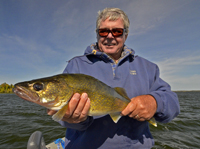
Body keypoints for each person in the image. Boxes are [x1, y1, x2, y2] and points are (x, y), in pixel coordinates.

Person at [48, 8, 180, 149]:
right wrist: (74, 119)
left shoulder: (148, 67)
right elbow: (63, 117)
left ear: (126, 35)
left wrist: (155, 102)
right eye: (103, 31)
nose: (110, 36)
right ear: (97, 34)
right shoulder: (76, 65)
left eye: (117, 31)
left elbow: (173, 104)